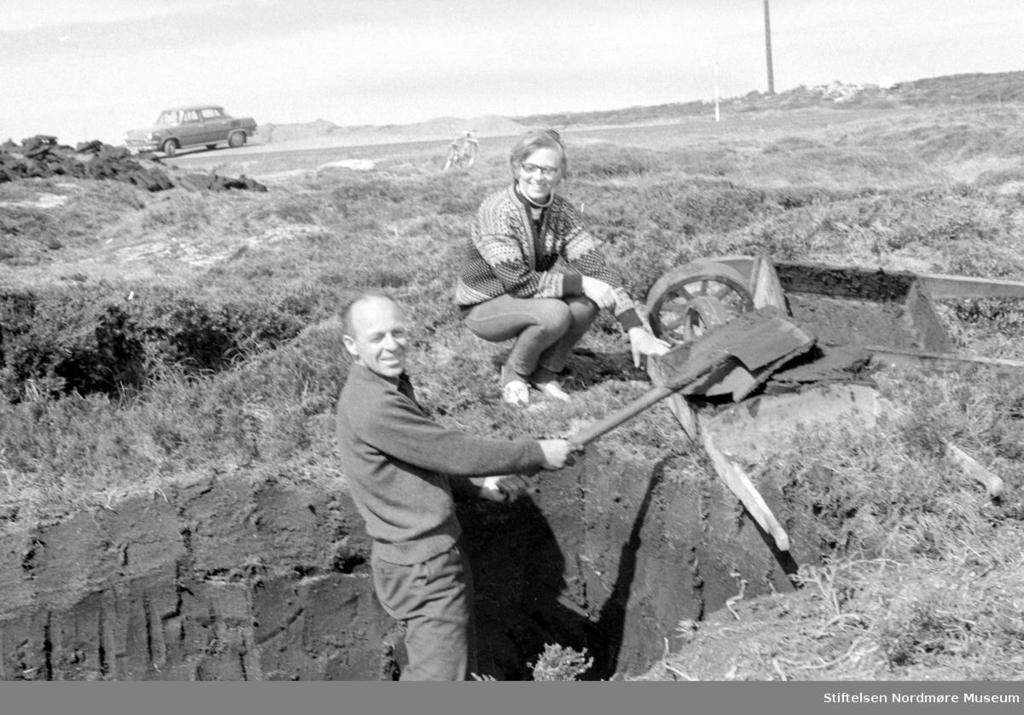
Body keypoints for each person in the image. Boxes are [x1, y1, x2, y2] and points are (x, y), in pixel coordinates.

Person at [335, 291, 574, 681]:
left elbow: (419, 457)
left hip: (428, 555)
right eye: (377, 337)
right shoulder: (374, 404)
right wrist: (537, 453)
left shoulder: (387, 385)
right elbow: (449, 450)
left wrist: (474, 486)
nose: (392, 345)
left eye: (398, 332)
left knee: (451, 670)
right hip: (423, 565)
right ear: (352, 345)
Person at [454, 128, 671, 406]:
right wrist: (581, 283)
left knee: (588, 303)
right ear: (516, 167)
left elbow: (597, 270)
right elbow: (517, 281)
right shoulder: (495, 210)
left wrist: (634, 327)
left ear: (560, 174)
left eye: (548, 169)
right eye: (530, 167)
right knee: (554, 314)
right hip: (483, 305)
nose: (538, 177)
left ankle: (545, 373)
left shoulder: (563, 212)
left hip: (525, 296)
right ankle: (514, 374)